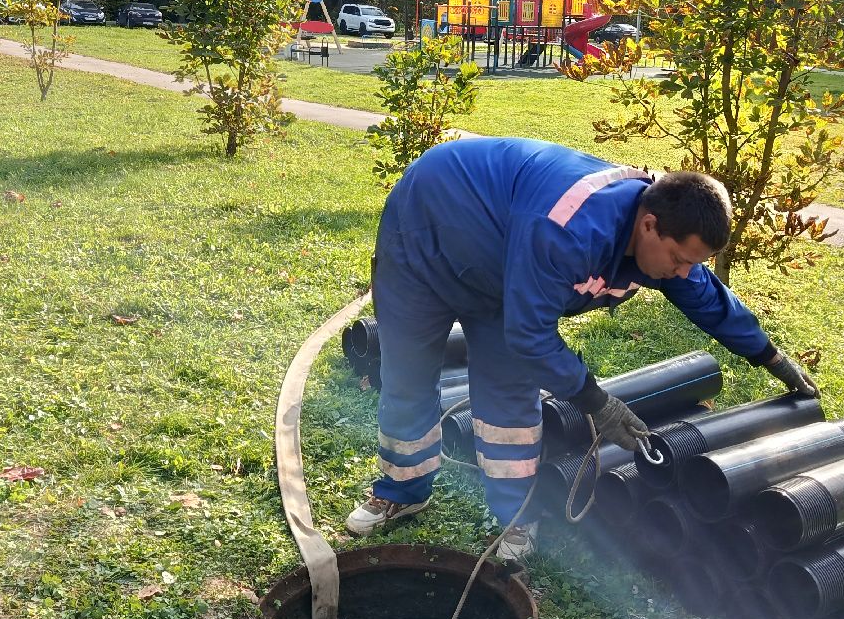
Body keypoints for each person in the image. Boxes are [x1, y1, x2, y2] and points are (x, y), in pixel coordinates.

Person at [346, 137, 818, 561]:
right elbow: (530, 336)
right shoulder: (569, 231)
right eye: (678, 259)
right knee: (408, 376)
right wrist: (597, 402)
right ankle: (401, 491)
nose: (681, 273)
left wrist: (772, 358)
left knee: (509, 398)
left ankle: (515, 516)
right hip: (424, 238)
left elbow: (708, 298)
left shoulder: (665, 241)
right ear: (649, 225)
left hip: (503, 262)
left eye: (691, 264)